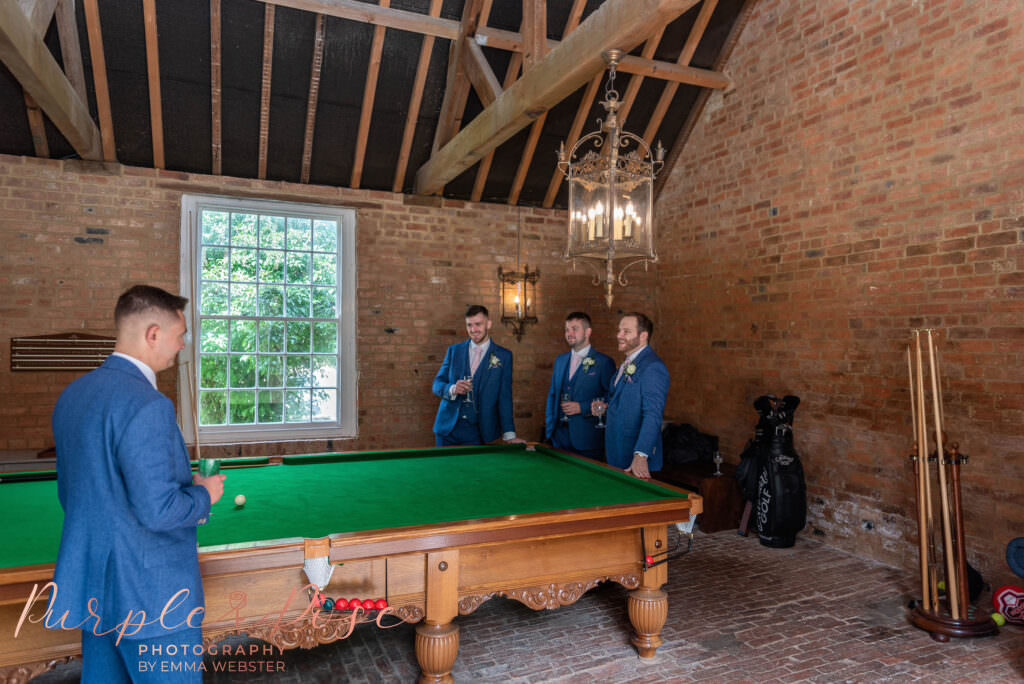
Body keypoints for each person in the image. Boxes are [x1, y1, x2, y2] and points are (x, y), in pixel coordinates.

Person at [50, 285, 226, 683]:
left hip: (98, 590)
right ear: (153, 333)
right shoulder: (149, 404)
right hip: (153, 596)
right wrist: (204, 494)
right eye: (180, 335)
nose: (181, 345)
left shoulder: (73, 395)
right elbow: (159, 510)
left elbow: (73, 494)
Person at [432, 305, 524, 446]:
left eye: (478, 324)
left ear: (488, 324)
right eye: (469, 325)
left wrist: (509, 434)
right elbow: (437, 384)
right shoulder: (454, 351)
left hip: (479, 432)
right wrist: (452, 389)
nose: (473, 330)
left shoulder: (504, 356)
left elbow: (505, 397)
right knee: (445, 468)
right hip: (447, 430)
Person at [592, 313, 669, 479]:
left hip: (635, 459)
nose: (619, 335)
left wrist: (641, 455)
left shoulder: (652, 367)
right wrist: (605, 406)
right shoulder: (628, 363)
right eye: (619, 330)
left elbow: (653, 414)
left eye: (626, 331)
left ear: (643, 336)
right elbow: (621, 399)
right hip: (617, 451)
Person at [544, 312, 615, 460]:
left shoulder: (604, 362)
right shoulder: (560, 360)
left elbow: (612, 399)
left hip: (588, 440)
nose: (569, 333)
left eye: (574, 329)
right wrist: (550, 431)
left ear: (588, 332)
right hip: (559, 439)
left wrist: (582, 407)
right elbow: (553, 395)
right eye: (567, 329)